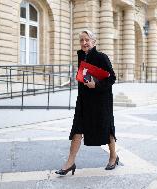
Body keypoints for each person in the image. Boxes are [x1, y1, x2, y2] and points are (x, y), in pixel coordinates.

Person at [55, 30, 118, 176]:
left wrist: (96, 85)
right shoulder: (81, 56)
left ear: (93, 42)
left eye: (87, 40)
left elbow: (112, 78)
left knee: (106, 127)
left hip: (101, 101)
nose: (84, 43)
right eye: (81, 40)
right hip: (84, 100)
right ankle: (70, 162)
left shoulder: (102, 57)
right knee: (77, 128)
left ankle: (113, 156)